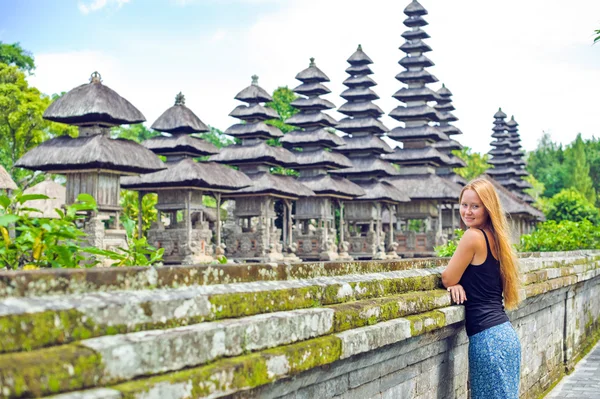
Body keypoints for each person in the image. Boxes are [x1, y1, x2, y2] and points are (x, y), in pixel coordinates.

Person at [441, 177, 521, 399]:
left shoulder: (473, 236)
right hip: (504, 337)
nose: (467, 211)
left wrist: (454, 282)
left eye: (475, 206)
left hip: (488, 342)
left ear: (488, 208)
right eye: (464, 205)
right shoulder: (496, 238)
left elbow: (447, 277)